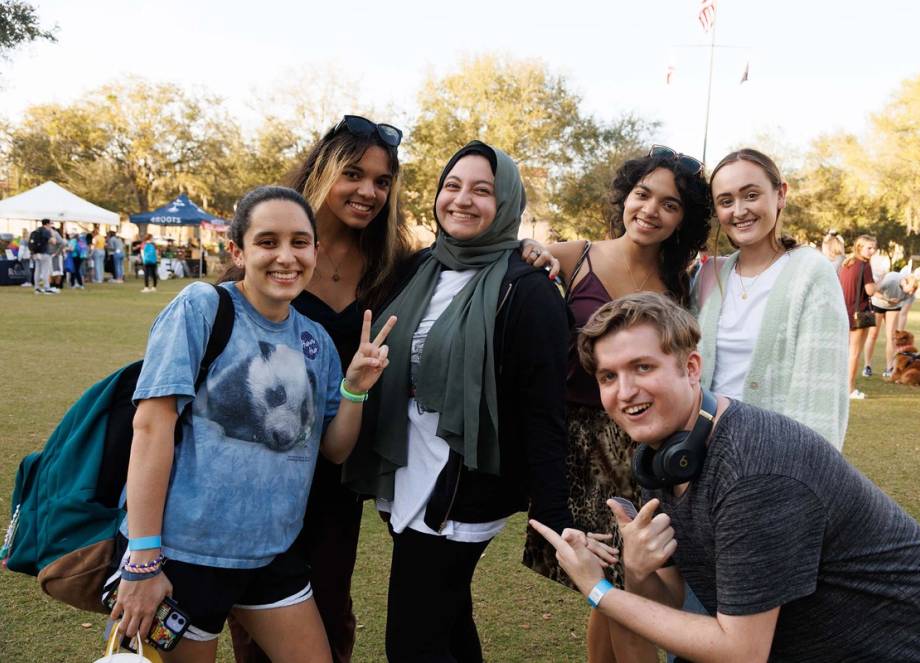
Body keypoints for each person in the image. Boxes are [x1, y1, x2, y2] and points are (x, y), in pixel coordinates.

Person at [531, 291, 920, 662]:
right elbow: (672, 600)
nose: (625, 392)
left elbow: (740, 651)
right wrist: (635, 566)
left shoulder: (754, 469)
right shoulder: (663, 454)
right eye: (609, 376)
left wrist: (598, 588)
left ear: (690, 368)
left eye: (642, 367)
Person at [105, 186, 395, 663]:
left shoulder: (315, 340)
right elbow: (151, 429)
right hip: (183, 557)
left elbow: (335, 449)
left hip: (272, 554)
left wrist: (355, 387)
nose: (286, 256)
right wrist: (142, 560)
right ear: (238, 252)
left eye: (300, 242)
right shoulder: (201, 308)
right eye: (268, 241)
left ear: (316, 252)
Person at [344, 141, 572, 663]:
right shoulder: (416, 269)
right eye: (453, 186)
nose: (462, 200)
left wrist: (554, 513)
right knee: (446, 622)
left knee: (412, 640)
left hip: (461, 492)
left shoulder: (528, 290)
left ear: (508, 204)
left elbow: (544, 413)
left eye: (483, 190)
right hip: (403, 472)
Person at [229, 114, 413, 663]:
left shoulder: (392, 267)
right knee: (257, 608)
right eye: (354, 174)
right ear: (322, 173)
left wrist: (536, 254)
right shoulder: (277, 258)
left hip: (337, 471)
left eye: (383, 182)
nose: (369, 192)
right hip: (262, 468)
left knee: (330, 606)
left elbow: (466, 265)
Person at [521, 145, 712, 663]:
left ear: (683, 220)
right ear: (625, 197)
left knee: (618, 592)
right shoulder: (571, 256)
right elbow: (512, 275)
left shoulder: (682, 283)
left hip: (650, 449)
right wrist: (531, 252)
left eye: (670, 205)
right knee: (616, 589)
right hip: (580, 448)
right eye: (642, 194)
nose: (651, 210)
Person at [694, 149, 849, 448]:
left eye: (751, 195)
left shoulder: (810, 272)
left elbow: (820, 393)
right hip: (703, 455)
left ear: (780, 194)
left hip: (772, 459)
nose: (739, 211)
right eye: (726, 201)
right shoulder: (710, 276)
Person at [838, 234, 878, 400]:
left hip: (843, 310)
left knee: (845, 352)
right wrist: (876, 284)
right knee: (854, 353)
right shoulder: (864, 265)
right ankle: (850, 389)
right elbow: (870, 291)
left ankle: (842, 387)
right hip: (859, 313)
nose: (872, 251)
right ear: (859, 247)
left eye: (873, 247)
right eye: (869, 247)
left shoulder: (847, 263)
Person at [863, 271, 920, 378]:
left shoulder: (910, 295)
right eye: (911, 290)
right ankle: (867, 366)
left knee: (892, 337)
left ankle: (889, 368)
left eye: (914, 291)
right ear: (905, 283)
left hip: (894, 307)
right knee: (873, 335)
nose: (911, 293)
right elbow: (873, 291)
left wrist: (900, 332)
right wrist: (887, 299)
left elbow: (904, 314)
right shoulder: (891, 281)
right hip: (878, 303)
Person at [29, 219, 55, 293]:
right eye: (50, 224)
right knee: (45, 271)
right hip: (44, 253)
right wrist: (52, 234)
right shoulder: (46, 231)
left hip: (36, 253)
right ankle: (47, 288)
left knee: (37, 270)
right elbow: (53, 241)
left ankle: (37, 288)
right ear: (46, 224)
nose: (51, 225)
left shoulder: (37, 231)